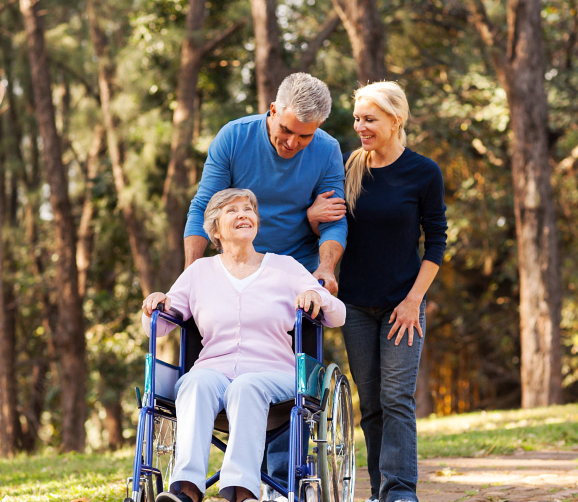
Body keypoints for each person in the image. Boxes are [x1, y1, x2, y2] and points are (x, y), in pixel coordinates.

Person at [145, 189, 347, 502]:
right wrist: (156, 304)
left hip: (273, 374)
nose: (243, 214)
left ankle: (241, 493)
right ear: (214, 230)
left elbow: (339, 315)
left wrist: (316, 297)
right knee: (194, 383)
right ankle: (186, 492)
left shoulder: (285, 267)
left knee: (246, 386)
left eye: (248, 209)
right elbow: (157, 327)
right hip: (213, 371)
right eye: (232, 211)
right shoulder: (198, 273)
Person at [337, 82, 446, 502]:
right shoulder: (350, 168)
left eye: (370, 119)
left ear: (395, 120)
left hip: (404, 303)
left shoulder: (423, 172)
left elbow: (436, 240)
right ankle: (381, 491)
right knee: (372, 405)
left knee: (397, 397)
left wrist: (413, 300)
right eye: (357, 119)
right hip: (355, 307)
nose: (360, 127)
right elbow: (332, 226)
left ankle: (401, 492)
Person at [184, 73, 350, 294]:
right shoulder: (233, 137)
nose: (292, 143)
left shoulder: (327, 150)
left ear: (318, 125)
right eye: (286, 130)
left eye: (304, 136)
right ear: (273, 110)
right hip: (236, 272)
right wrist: (190, 272)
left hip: (298, 277)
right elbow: (204, 206)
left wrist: (326, 269)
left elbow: (334, 221)